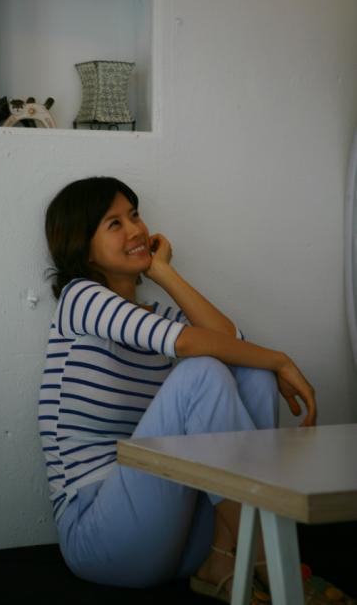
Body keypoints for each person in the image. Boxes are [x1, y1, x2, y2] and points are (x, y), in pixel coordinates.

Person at [38, 176, 341, 603]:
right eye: (114, 224)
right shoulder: (80, 299)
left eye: (135, 216)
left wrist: (162, 272)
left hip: (175, 538)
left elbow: (230, 342)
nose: (135, 229)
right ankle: (271, 561)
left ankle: (222, 558)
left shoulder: (155, 315)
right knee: (201, 373)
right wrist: (280, 359)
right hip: (101, 537)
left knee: (250, 374)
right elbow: (185, 344)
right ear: (83, 248)